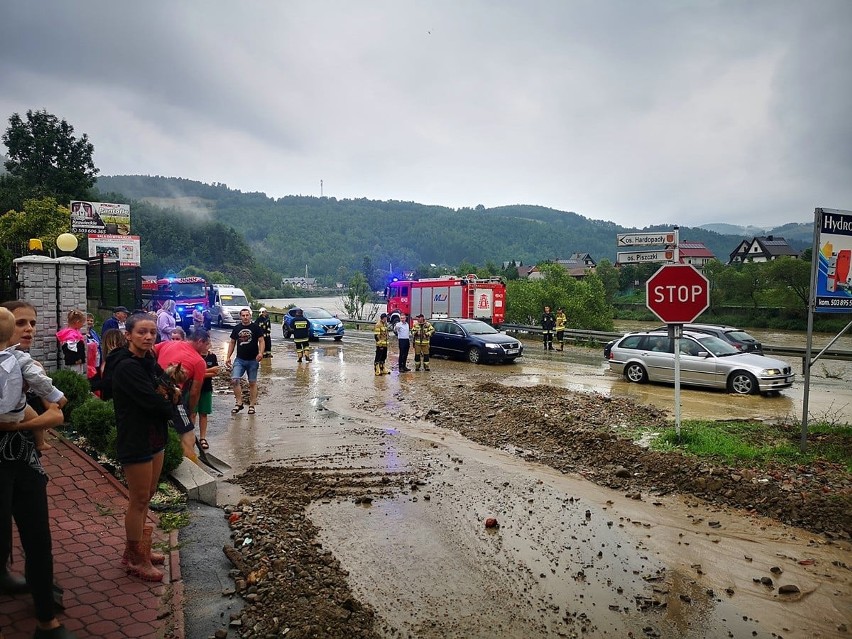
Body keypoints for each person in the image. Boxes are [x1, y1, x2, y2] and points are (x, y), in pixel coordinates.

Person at [0, 300, 76, 639]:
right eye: (20, 323)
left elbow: (57, 414)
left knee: (38, 540)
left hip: (24, 462)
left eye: (32, 322)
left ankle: (47, 622)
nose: (29, 328)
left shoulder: (29, 365)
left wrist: (17, 425)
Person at [110, 312, 177, 582]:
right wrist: (169, 399)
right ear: (128, 335)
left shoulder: (148, 360)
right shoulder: (126, 366)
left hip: (155, 436)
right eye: (141, 332)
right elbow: (155, 402)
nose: (148, 336)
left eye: (152, 332)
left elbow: (166, 388)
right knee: (137, 499)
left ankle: (138, 549)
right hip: (136, 437)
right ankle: (135, 559)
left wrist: (168, 392)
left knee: (148, 494)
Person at [154, 329, 209, 460]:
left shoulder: (166, 344)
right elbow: (195, 392)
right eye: (207, 344)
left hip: (153, 391)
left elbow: (150, 353)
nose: (209, 347)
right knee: (187, 433)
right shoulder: (199, 361)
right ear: (200, 341)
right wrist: (190, 411)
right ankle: (193, 466)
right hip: (174, 396)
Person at [225, 309, 264, 415]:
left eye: (247, 315)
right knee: (234, 379)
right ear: (240, 317)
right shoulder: (237, 328)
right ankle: (239, 403)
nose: (245, 317)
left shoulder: (255, 327)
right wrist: (228, 357)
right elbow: (232, 342)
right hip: (240, 359)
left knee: (252, 382)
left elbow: (261, 341)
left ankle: (252, 405)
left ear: (250, 316)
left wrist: (261, 353)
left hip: (253, 359)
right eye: (243, 315)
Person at [197, 339, 219, 451]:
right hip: (194, 388)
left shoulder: (212, 357)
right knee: (191, 414)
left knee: (204, 413)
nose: (206, 346)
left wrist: (200, 373)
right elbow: (191, 373)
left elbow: (216, 372)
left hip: (206, 388)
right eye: (204, 344)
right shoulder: (195, 355)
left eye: (207, 344)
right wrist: (208, 371)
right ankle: (190, 438)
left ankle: (202, 438)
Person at [56, 309, 87, 374]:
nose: (83, 325)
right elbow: (71, 349)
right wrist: (77, 358)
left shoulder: (73, 332)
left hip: (76, 361)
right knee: (75, 374)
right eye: (82, 323)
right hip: (75, 361)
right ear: (77, 322)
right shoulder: (71, 335)